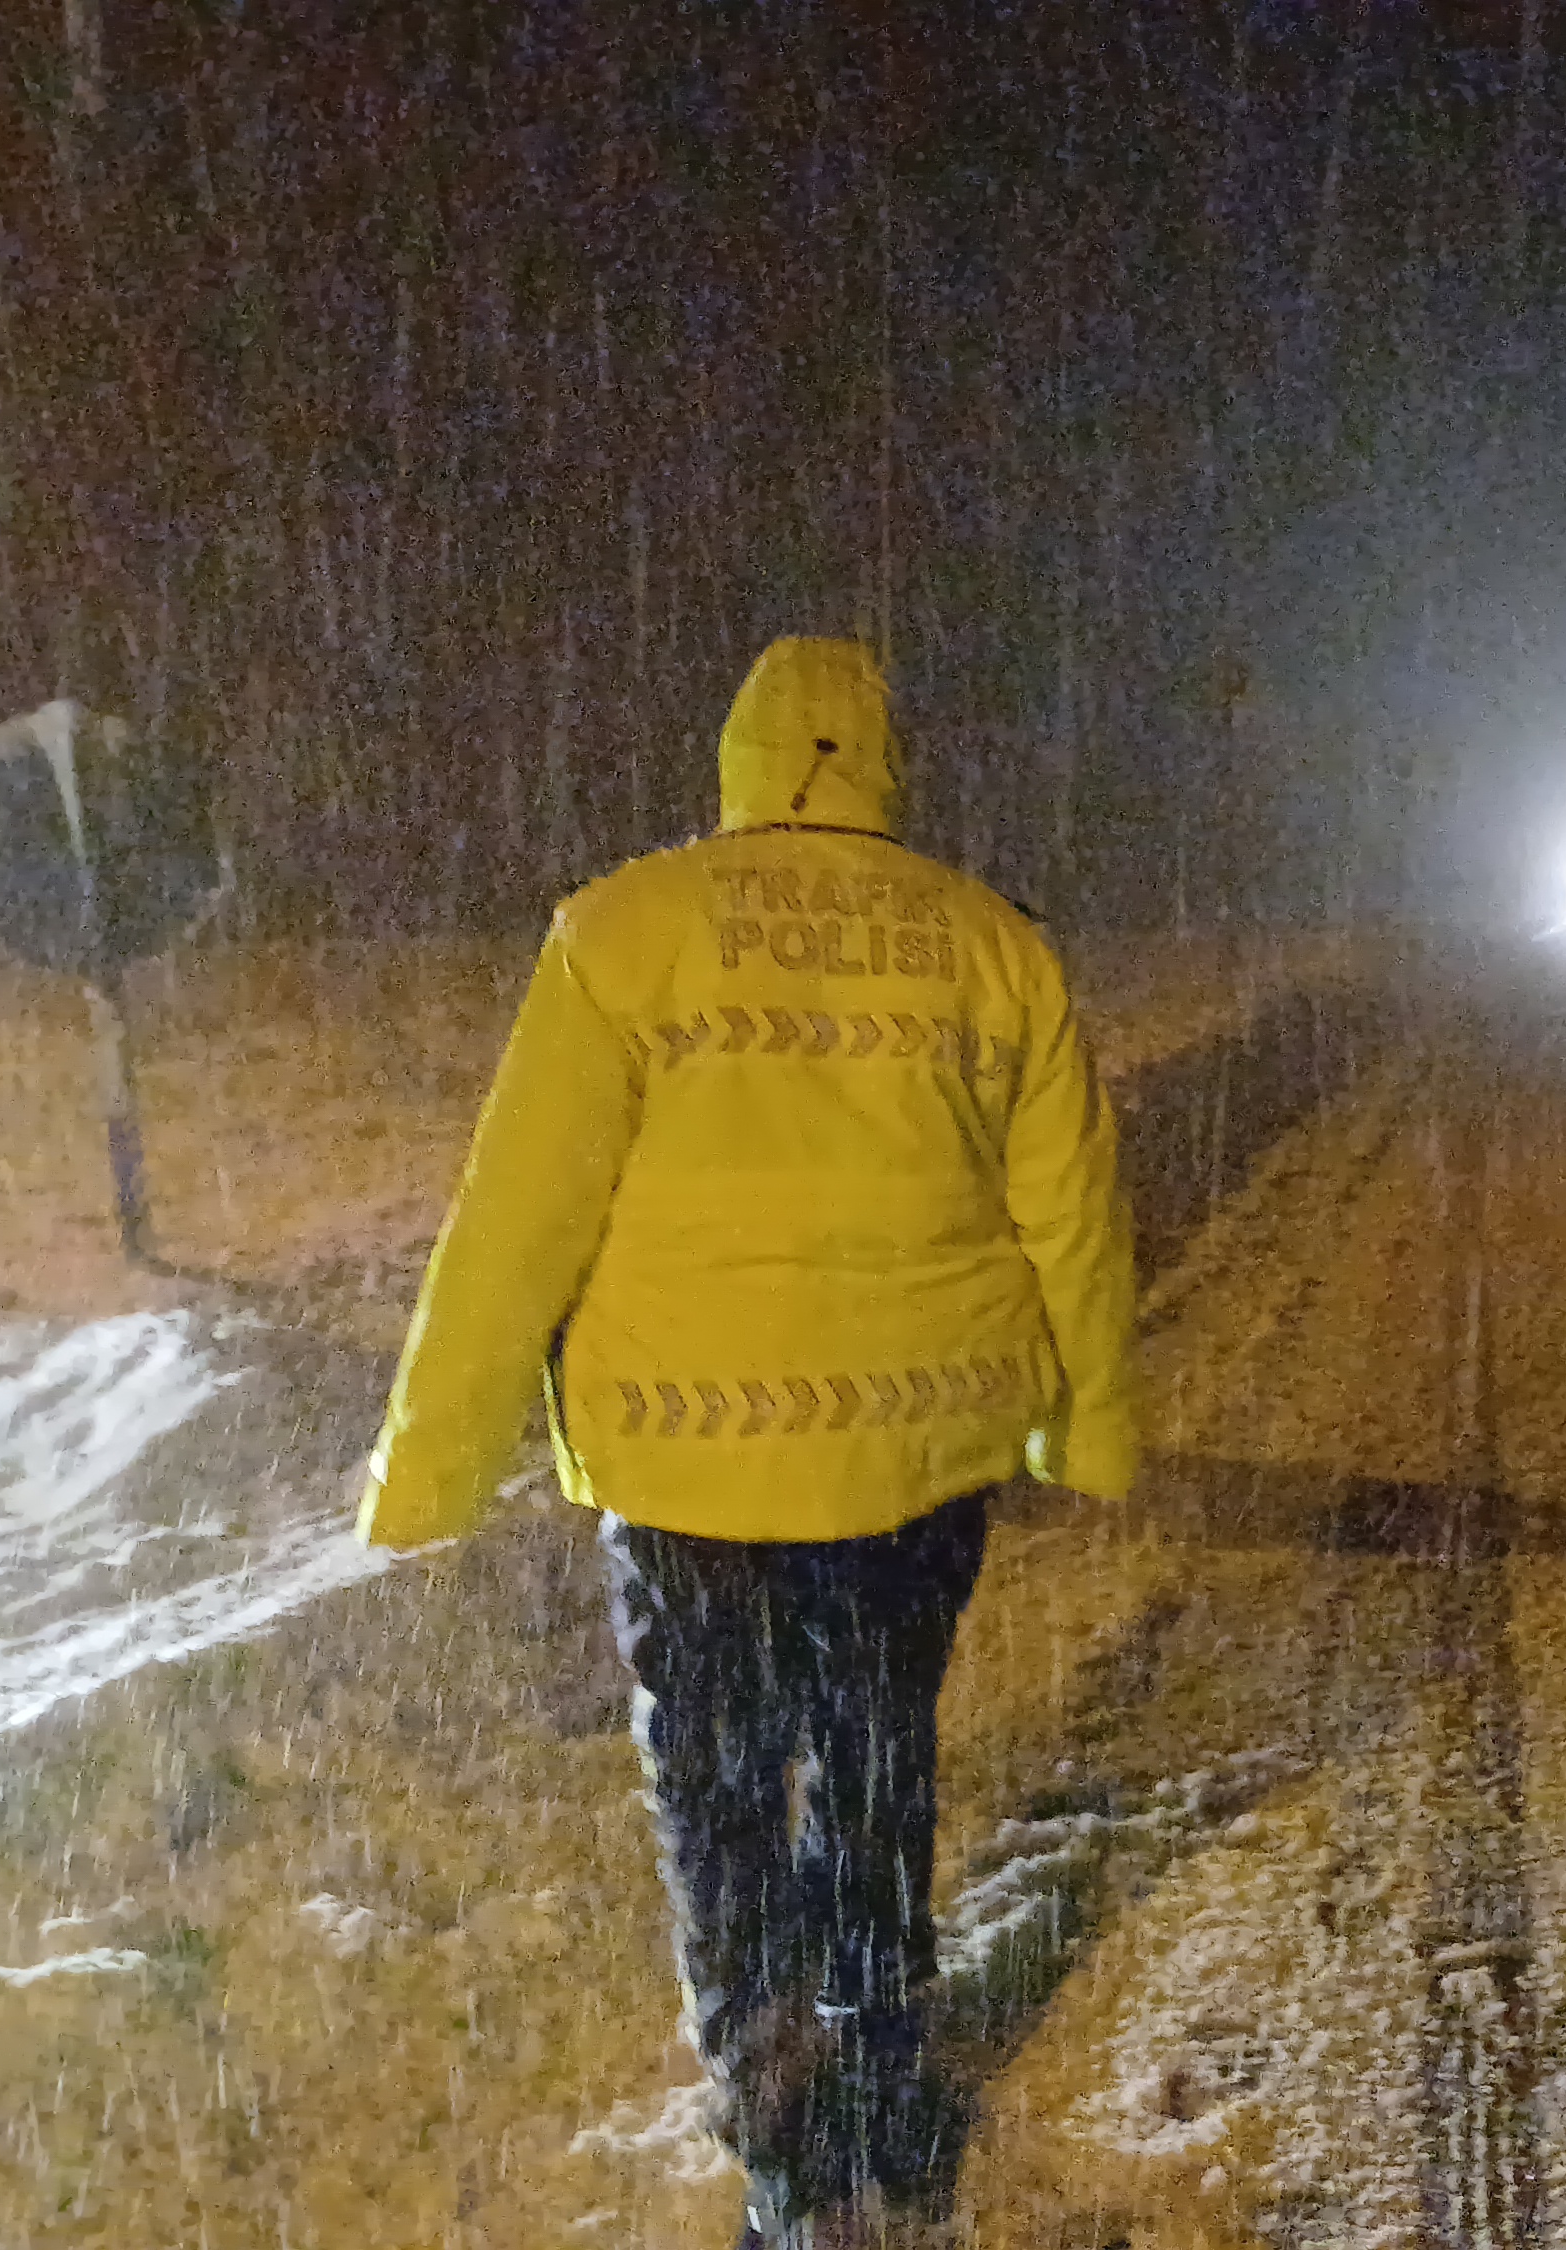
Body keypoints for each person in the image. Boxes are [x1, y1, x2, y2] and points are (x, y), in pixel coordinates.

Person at [359, 636, 1140, 2248]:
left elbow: (517, 1222)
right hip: (915, 1460)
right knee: (873, 1755)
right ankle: (886, 2074)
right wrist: (1087, 1424)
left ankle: (780, 2121)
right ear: (884, 766)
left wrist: (436, 1460)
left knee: (717, 1784)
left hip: (686, 1464)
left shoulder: (626, 932)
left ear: (737, 761)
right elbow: (1073, 1216)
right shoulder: (995, 948)